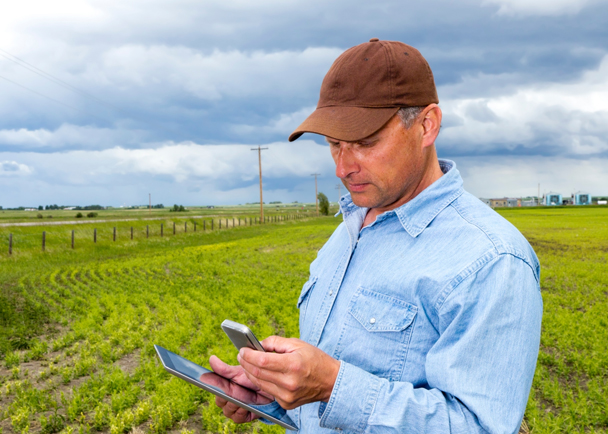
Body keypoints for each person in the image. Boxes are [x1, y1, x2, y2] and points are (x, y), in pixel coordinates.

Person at [210, 38, 543, 434]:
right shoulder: (348, 229)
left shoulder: (492, 260)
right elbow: (328, 397)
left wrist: (332, 386)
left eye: (366, 143)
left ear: (426, 125)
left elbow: (480, 426)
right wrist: (275, 397)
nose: (343, 167)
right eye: (334, 145)